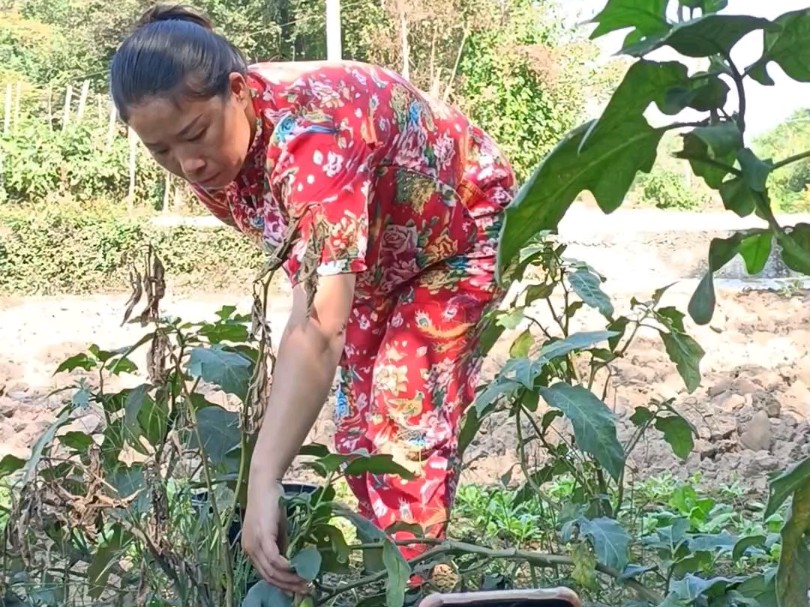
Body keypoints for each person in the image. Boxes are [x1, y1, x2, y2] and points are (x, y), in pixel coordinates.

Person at [110, 3, 515, 593]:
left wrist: (263, 479)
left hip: (460, 232)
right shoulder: (213, 158)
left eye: (195, 135)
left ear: (240, 91)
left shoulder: (310, 135)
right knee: (355, 436)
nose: (187, 163)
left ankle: (420, 585)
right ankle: (398, 578)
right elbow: (315, 272)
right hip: (381, 255)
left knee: (402, 418)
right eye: (161, 151)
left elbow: (318, 326)